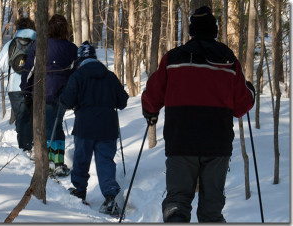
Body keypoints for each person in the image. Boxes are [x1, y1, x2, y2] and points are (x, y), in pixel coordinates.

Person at [141, 6, 255, 223]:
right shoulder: (229, 60)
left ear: (192, 30)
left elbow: (152, 95)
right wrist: (251, 91)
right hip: (217, 144)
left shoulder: (174, 59)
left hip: (181, 141)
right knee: (211, 210)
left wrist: (150, 112)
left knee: (177, 204)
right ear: (214, 30)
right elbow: (242, 105)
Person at [59, 41, 129, 216]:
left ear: (80, 59)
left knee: (81, 160)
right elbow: (123, 101)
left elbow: (67, 101)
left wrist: (62, 95)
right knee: (105, 161)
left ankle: (79, 191)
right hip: (108, 127)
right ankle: (110, 198)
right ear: (95, 58)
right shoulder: (110, 76)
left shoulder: (78, 75)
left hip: (85, 126)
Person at [21, 14, 78, 176]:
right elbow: (75, 74)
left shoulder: (40, 45)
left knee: (47, 125)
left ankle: (49, 161)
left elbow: (28, 70)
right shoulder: (71, 48)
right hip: (62, 94)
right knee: (56, 124)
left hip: (42, 92)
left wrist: (26, 92)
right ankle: (56, 161)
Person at [0, 17, 36, 154]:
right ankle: (34, 147)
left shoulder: (11, 44)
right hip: (35, 86)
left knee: (21, 120)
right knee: (34, 118)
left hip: (15, 88)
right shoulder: (38, 42)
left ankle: (25, 149)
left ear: (17, 29)